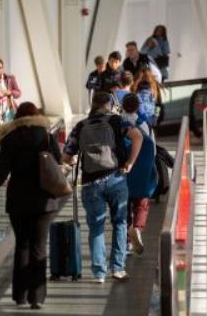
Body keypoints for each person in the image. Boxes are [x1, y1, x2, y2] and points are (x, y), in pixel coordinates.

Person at [0, 102, 61, 310]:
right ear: (36, 115)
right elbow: (58, 162)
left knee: (22, 245)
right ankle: (37, 296)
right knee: (39, 247)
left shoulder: (10, 139)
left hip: (18, 201)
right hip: (45, 200)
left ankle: (20, 294)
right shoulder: (45, 136)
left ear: (17, 117)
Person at [62, 92, 143, 283]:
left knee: (96, 227)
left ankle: (99, 273)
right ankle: (118, 268)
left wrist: (72, 161)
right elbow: (138, 137)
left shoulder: (81, 126)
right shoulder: (117, 121)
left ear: (93, 104)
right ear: (109, 104)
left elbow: (66, 156)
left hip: (90, 183)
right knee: (120, 223)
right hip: (116, 177)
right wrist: (130, 163)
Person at [121, 94, 157, 255]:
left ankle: (127, 240)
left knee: (124, 205)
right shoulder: (144, 124)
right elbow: (153, 150)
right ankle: (137, 228)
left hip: (123, 169)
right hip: (142, 170)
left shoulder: (118, 122)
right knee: (141, 203)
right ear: (137, 107)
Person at [0, 58, 22, 124]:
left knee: (8, 130)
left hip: (8, 110)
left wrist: (10, 92)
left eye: (0, 67)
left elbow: (19, 93)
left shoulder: (10, 78)